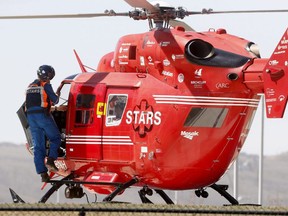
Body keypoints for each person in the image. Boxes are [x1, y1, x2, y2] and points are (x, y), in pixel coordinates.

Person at [25, 65, 61, 182]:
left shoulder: (30, 86)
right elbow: (56, 100)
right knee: (55, 138)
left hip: (31, 119)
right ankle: (51, 160)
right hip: (42, 116)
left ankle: (43, 174)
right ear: (48, 76)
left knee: (38, 146)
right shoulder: (46, 85)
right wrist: (57, 93)